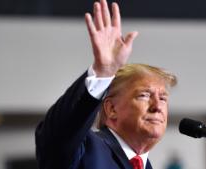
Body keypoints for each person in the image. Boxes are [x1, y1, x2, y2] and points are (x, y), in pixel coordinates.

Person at [35, 0, 177, 169]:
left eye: (163, 98)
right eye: (144, 95)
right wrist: (102, 72)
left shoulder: (146, 166)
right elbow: (55, 138)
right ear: (111, 109)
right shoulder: (86, 149)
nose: (157, 106)